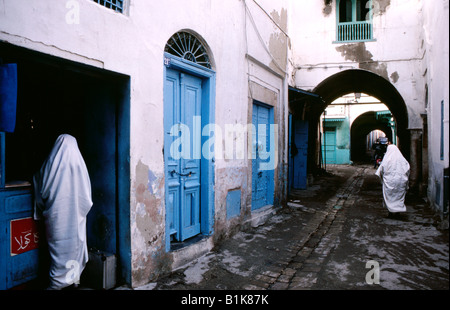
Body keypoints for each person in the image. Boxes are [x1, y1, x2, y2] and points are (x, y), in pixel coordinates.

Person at [33, 134, 93, 290]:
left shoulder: (52, 163)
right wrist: (78, 211)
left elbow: (41, 186)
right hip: (76, 219)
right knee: (75, 249)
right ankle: (73, 282)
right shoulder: (80, 165)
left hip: (57, 217)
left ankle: (56, 284)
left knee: (58, 252)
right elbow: (87, 198)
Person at [375, 143, 410, 217]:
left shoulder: (387, 159)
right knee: (398, 196)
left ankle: (391, 212)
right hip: (401, 181)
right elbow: (407, 169)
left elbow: (381, 170)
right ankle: (397, 212)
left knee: (390, 197)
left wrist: (383, 178)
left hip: (389, 181)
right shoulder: (402, 160)